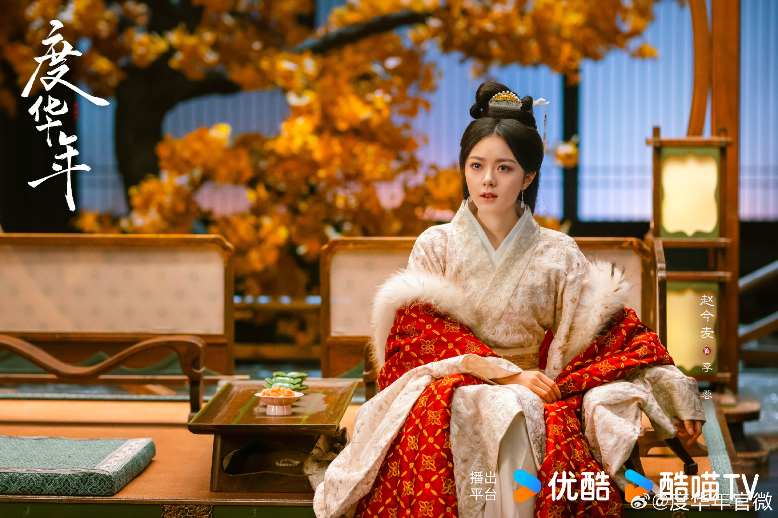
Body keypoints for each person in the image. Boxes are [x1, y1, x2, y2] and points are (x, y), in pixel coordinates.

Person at [313, 80, 706, 518]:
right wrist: (504, 375)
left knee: (520, 408)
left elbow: (613, 337)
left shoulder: (558, 253)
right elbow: (418, 339)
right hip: (454, 387)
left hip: (535, 389)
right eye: (476, 165)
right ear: (463, 169)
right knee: (503, 403)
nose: (487, 179)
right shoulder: (436, 245)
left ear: (528, 176)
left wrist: (677, 393)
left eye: (504, 168)